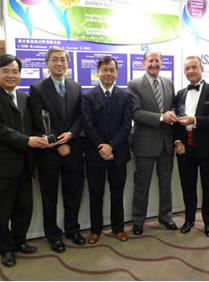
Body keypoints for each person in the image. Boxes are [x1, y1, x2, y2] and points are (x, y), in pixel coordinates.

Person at [0, 54, 51, 267]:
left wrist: (43, 137)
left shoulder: (24, 98)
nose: (11, 75)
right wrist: (27, 140)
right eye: (6, 71)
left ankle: (20, 241)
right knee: (1, 211)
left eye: (15, 71)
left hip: (24, 164)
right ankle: (5, 249)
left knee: (24, 207)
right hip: (1, 166)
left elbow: (32, 125)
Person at [29, 46, 86, 253]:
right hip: (49, 153)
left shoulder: (76, 87)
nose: (59, 63)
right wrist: (58, 144)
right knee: (49, 195)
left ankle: (72, 229)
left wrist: (70, 135)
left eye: (63, 59)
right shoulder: (37, 89)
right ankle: (53, 234)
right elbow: (38, 120)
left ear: (68, 63)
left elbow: (81, 118)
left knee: (73, 192)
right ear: (47, 63)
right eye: (55, 60)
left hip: (73, 150)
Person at [81, 56, 132, 244]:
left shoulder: (126, 96)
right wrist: (101, 146)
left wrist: (112, 145)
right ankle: (96, 229)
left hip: (118, 153)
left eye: (112, 70)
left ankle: (118, 228)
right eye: (104, 69)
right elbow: (88, 125)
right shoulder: (87, 96)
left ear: (117, 73)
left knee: (117, 193)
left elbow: (126, 125)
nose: (108, 73)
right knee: (96, 193)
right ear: (98, 73)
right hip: (96, 154)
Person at [127, 50, 178, 235]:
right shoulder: (134, 84)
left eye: (157, 60)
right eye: (150, 61)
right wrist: (162, 118)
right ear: (143, 63)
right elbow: (136, 113)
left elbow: (172, 105)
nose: (154, 64)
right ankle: (138, 220)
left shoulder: (168, 83)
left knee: (166, 183)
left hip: (166, 143)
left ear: (162, 63)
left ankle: (165, 216)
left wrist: (172, 113)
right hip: (144, 144)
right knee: (142, 184)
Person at [173, 56, 209, 237]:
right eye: (187, 68)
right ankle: (189, 220)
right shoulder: (179, 94)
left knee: (208, 186)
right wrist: (177, 142)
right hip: (185, 148)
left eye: (194, 67)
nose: (191, 71)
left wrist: (195, 120)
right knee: (188, 186)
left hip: (207, 148)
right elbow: (175, 121)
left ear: (202, 69)